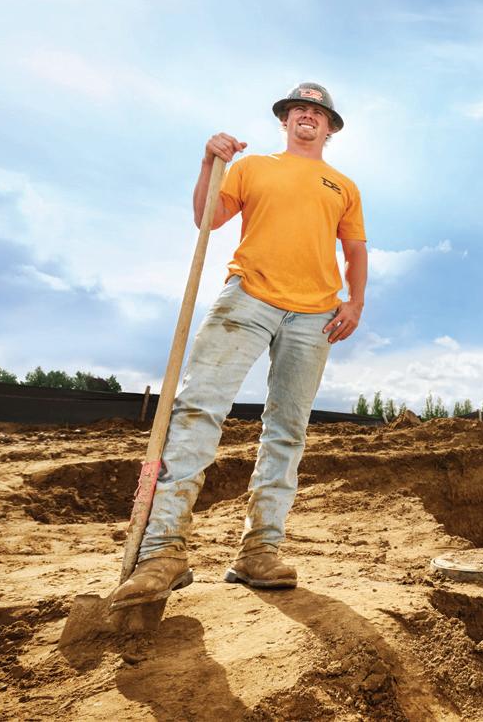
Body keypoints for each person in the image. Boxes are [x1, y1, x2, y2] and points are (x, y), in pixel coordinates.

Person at [109, 82, 367, 610]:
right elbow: (207, 217)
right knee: (198, 409)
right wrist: (210, 162)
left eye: (317, 112)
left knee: (287, 429)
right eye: (298, 109)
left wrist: (355, 302)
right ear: (285, 120)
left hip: (315, 315)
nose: (307, 117)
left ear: (329, 128)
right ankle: (163, 551)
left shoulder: (343, 186)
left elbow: (355, 249)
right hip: (247, 297)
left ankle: (260, 550)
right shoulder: (251, 168)